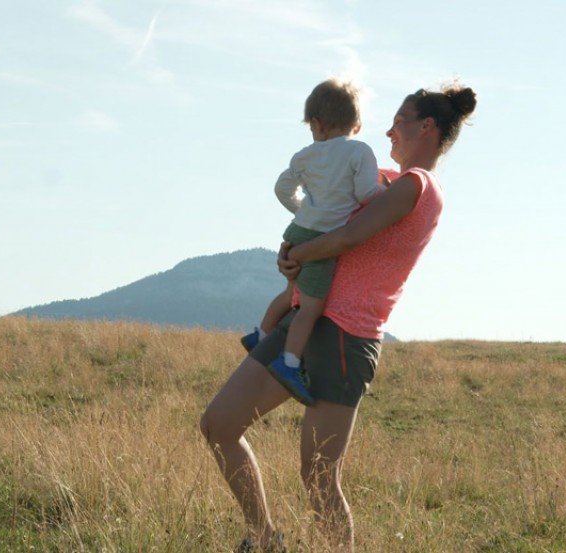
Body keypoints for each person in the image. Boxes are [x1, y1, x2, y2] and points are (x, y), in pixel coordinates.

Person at [201, 83, 477, 553]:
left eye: (399, 120)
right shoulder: (377, 175)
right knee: (218, 425)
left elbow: (350, 235)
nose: (388, 130)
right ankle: (266, 539)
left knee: (318, 476)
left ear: (426, 127)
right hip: (303, 317)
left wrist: (299, 251)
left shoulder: (418, 186)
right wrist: (291, 254)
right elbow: (321, 206)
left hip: (347, 335)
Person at [241, 79, 383, 406]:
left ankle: (261, 333)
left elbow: (281, 189)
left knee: (291, 292)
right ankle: (290, 363)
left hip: (297, 231)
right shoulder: (359, 152)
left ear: (316, 125)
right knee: (311, 307)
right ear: (357, 125)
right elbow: (365, 194)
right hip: (323, 239)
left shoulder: (305, 156)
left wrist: (303, 210)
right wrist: (384, 191)